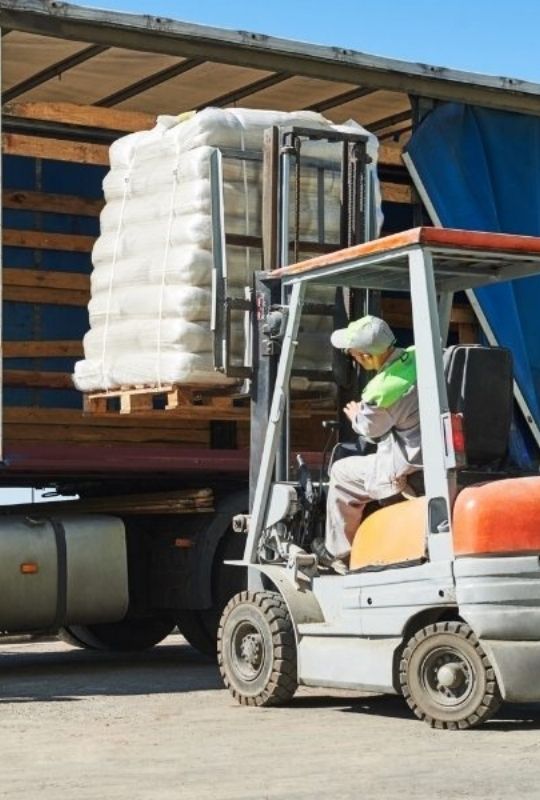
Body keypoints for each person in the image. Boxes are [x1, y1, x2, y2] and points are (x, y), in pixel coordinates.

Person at [311, 315, 422, 572]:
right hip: (435, 449)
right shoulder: (420, 356)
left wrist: (356, 415)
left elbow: (371, 431)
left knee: (342, 472)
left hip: (410, 463)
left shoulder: (383, 390)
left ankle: (339, 553)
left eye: (354, 355)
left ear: (366, 357)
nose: (354, 359)